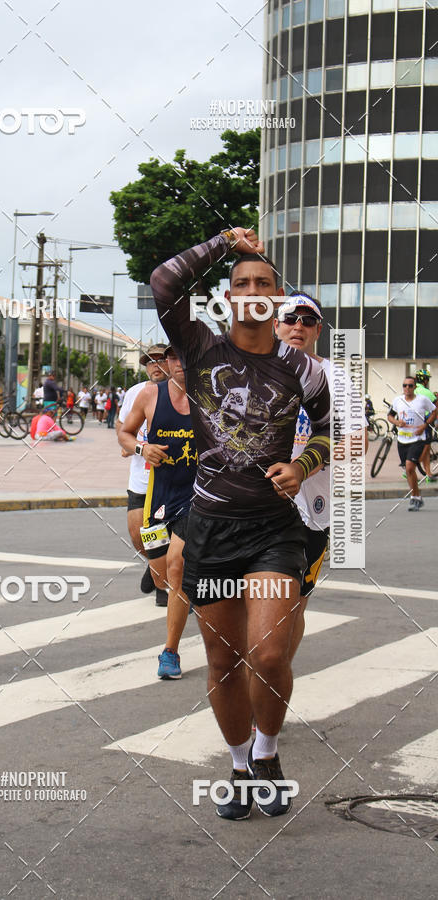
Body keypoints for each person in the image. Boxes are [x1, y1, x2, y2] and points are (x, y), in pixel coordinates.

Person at [150, 227, 331, 819]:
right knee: (224, 661)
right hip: (210, 528)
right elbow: (165, 281)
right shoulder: (200, 346)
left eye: (265, 285)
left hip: (274, 530)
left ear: (279, 301)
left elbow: (329, 433)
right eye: (242, 284)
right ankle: (236, 764)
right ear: (228, 298)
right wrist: (224, 242)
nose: (254, 292)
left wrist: (302, 465)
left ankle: (269, 749)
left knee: (271, 654)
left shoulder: (304, 371)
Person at [274, 292, 367, 662]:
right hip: (259, 504)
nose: (298, 326)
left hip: (312, 507)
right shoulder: (253, 371)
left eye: (307, 321)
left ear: (318, 330)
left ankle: (274, 678)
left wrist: (305, 465)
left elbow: (357, 440)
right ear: (276, 325)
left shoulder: (336, 377)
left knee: (294, 603)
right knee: (256, 600)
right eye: (291, 319)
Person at [119, 347, 197, 679]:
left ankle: (170, 652)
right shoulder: (149, 395)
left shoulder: (212, 397)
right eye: (173, 357)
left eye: (185, 356)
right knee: (162, 576)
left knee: (177, 568)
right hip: (158, 498)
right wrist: (141, 447)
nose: (179, 363)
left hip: (197, 499)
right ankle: (194, 594)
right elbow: (123, 434)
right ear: (167, 362)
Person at [117, 345, 170, 602]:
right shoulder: (135, 392)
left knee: (169, 535)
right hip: (141, 477)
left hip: (173, 479)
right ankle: (155, 568)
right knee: (138, 535)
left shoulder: (181, 392)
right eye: (149, 361)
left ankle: (166, 586)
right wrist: (133, 445)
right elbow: (122, 426)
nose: (155, 365)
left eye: (161, 360)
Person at [387, 376, 437, 510]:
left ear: (415, 387)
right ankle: (416, 496)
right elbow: (390, 416)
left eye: (410, 386)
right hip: (402, 440)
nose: (407, 388)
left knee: (410, 467)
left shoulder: (422, 400)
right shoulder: (398, 400)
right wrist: (397, 422)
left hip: (417, 439)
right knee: (409, 471)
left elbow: (434, 411)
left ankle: (415, 496)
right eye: (404, 385)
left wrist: (424, 425)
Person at [414, 369, 437, 482]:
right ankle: (412, 465)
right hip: (425, 422)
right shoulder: (427, 392)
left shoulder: (412, 389)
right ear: (425, 380)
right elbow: (435, 408)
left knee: (425, 449)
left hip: (412, 423)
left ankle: (428, 474)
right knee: (426, 446)